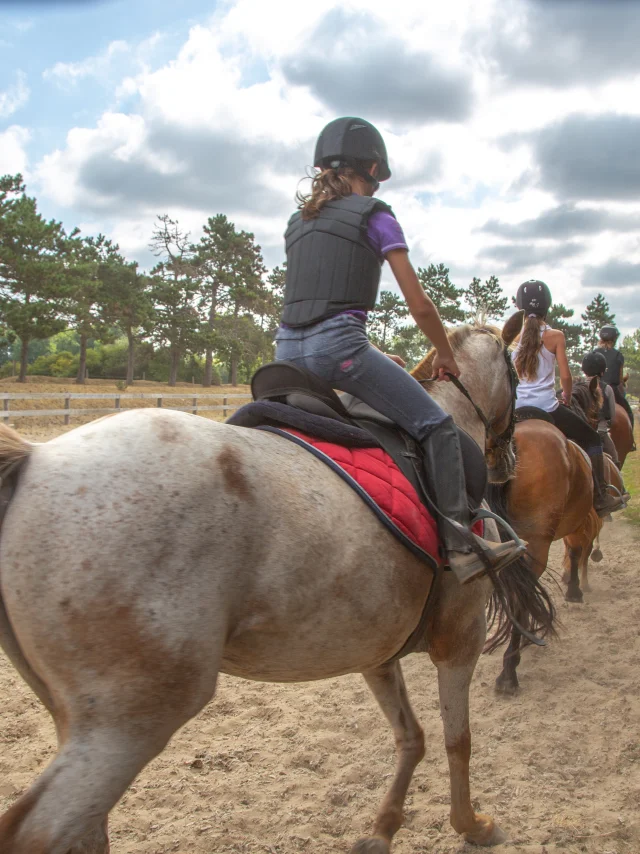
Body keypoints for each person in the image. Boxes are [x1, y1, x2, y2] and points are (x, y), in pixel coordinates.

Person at [275, 116, 525, 584]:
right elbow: (420, 305)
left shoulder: (297, 223)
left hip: (286, 353)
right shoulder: (376, 215)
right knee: (439, 426)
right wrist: (444, 356)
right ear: (372, 168)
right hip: (339, 353)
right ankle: (462, 544)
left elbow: (315, 304)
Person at [512, 281, 623, 517]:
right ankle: (600, 497)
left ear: (519, 307)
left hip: (518, 408)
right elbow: (565, 375)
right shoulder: (556, 336)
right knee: (592, 439)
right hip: (547, 407)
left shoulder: (512, 337)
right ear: (547, 307)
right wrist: (567, 396)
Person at [596, 325, 636, 448]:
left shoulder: (593, 353)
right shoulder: (618, 355)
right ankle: (630, 442)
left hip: (595, 388)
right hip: (611, 388)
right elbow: (619, 380)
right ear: (614, 339)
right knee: (628, 412)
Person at [581, 351, 619, 467]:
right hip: (600, 432)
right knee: (615, 458)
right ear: (602, 372)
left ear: (584, 371)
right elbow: (612, 419)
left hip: (580, 431)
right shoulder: (607, 389)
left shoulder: (576, 387)